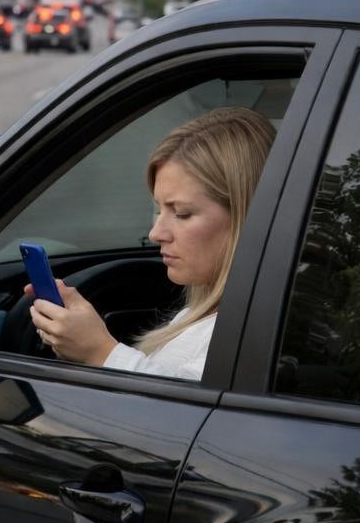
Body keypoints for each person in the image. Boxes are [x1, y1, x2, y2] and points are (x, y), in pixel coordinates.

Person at [28, 106, 276, 381]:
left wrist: (99, 352)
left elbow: (186, 405)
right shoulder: (202, 316)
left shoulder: (255, 335)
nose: (156, 233)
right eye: (158, 210)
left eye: (181, 213)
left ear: (246, 216)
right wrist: (82, 347)